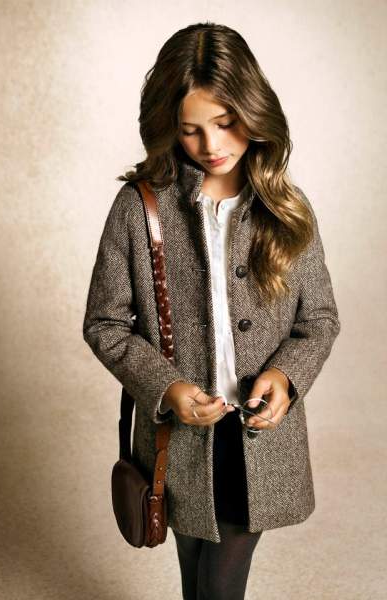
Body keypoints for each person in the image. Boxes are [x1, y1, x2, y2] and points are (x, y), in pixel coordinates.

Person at [82, 21, 341, 600]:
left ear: (254, 109)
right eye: (190, 129)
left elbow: (319, 320)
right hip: (180, 435)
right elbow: (104, 322)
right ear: (168, 127)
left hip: (259, 433)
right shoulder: (138, 208)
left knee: (221, 581)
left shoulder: (287, 209)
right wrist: (167, 387)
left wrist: (285, 377)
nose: (211, 144)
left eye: (225, 122)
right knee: (195, 566)